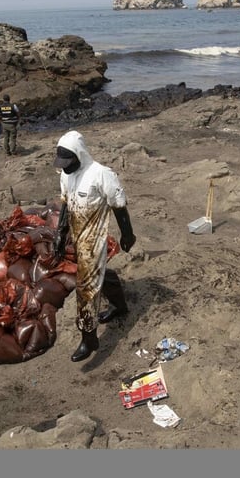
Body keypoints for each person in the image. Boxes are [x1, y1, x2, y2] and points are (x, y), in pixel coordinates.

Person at [52, 130, 136, 362]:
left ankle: (89, 339)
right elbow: (66, 203)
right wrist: (60, 233)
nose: (65, 167)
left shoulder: (101, 174)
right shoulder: (66, 176)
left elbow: (119, 206)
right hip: (78, 237)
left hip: (95, 239)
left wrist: (128, 235)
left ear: (80, 154)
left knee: (85, 289)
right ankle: (120, 306)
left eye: (69, 162)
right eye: (62, 163)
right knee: (100, 275)